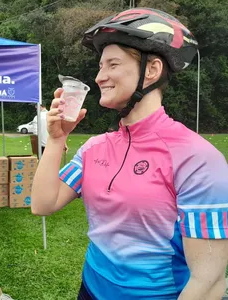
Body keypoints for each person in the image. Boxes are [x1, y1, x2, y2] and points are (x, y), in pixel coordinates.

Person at [31, 8, 228, 299]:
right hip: (90, 289)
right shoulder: (94, 148)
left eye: (112, 64)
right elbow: (42, 204)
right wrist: (58, 139)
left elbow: (208, 281)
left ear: (152, 70)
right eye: (100, 66)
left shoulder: (197, 158)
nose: (100, 77)